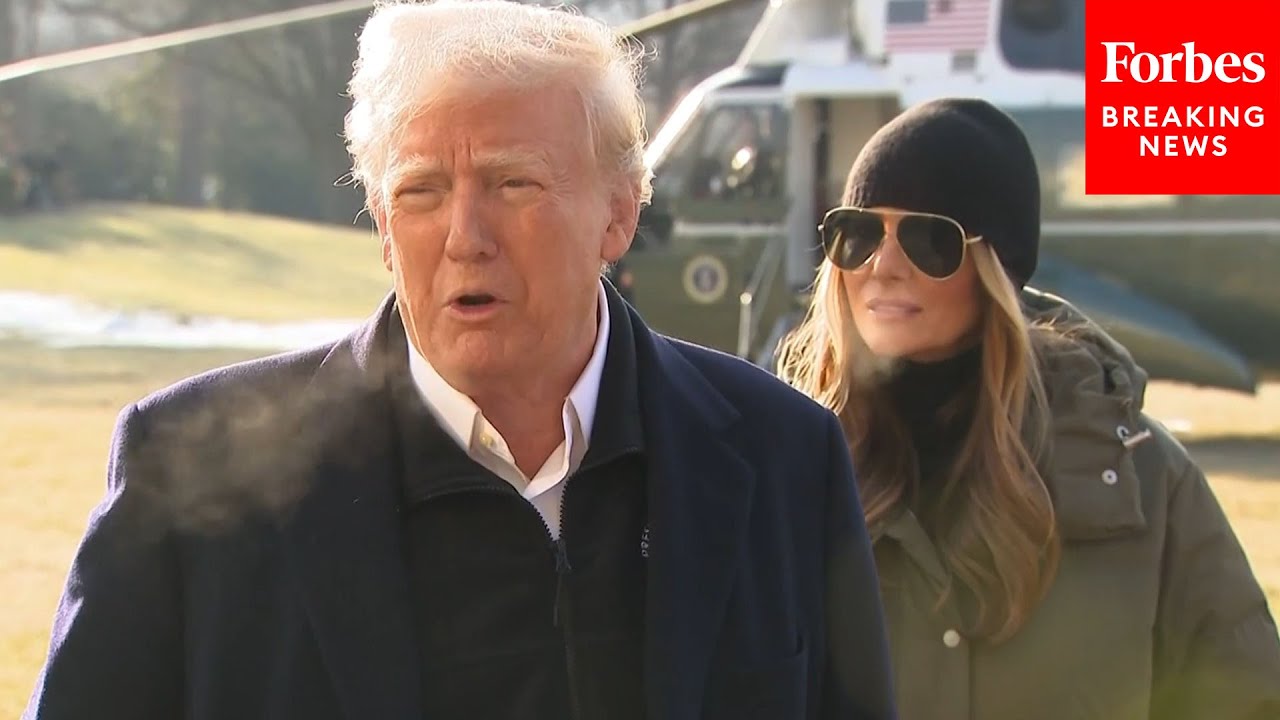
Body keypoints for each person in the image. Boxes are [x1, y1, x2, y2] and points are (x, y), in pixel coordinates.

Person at [22, 2, 897, 719]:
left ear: (619, 214)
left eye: (515, 184)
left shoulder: (785, 456)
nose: (464, 239)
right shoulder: (189, 469)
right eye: (421, 193)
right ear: (380, 221)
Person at [776, 97, 1280, 720]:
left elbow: (1244, 696)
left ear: (996, 271)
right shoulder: (784, 474)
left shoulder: (1143, 484)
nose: (883, 265)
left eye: (929, 239)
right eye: (857, 233)